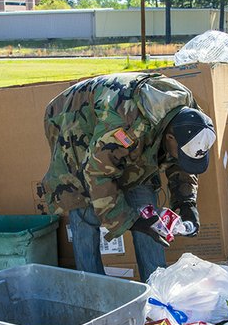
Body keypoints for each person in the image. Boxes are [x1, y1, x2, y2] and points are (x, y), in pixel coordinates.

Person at [42, 72, 216, 281]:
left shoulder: (191, 116)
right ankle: (94, 291)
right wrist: (129, 221)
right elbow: (95, 173)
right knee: (84, 209)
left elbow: (181, 160)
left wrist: (186, 201)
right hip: (72, 120)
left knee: (149, 217)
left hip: (123, 134)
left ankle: (157, 291)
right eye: (178, 151)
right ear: (169, 137)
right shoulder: (128, 126)